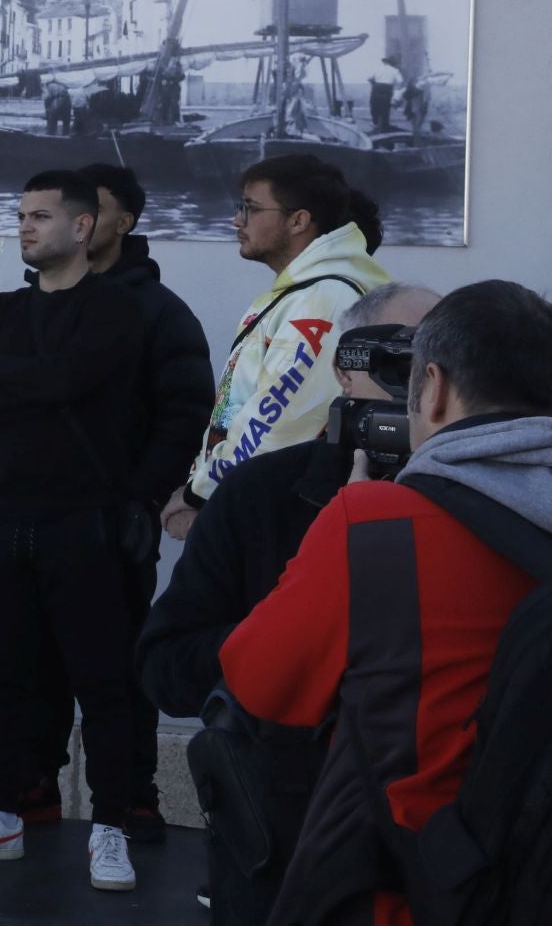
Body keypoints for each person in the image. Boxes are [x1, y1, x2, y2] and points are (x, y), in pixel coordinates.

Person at [218, 280, 552, 925]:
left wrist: (340, 522)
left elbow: (257, 682)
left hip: (418, 885)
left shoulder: (377, 520)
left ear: (434, 387)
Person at [138, 283, 440, 925]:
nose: (411, 383)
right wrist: (297, 617)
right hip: (282, 839)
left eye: (432, 362)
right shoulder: (261, 496)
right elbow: (165, 668)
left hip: (441, 846)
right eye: (390, 359)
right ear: (341, 368)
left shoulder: (482, 498)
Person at [0, 171, 148, 894]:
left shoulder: (117, 313)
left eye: (41, 215)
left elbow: (69, 383)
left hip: (84, 521)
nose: (24, 226)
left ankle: (111, 827)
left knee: (103, 681)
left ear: (82, 228)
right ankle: (1, 813)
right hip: (3, 522)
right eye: (19, 214)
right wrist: (33, 379)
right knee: (6, 679)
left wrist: (12, 381)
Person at [13, 165, 215, 838]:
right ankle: (31, 790)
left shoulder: (159, 312)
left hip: (112, 526)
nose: (72, 221)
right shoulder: (31, 306)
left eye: (88, 210)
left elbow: (185, 414)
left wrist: (139, 501)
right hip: (30, 524)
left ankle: (130, 801)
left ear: (119, 222)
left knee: (118, 670)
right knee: (31, 662)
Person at [163, 154, 391, 541]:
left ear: (298, 220)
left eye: (250, 209)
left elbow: (276, 419)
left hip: (273, 517)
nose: (237, 220)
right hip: (259, 504)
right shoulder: (302, 292)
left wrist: (200, 494)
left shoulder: (323, 298)